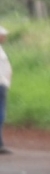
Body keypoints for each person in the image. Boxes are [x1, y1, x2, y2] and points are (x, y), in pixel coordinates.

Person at [0, 26, 12, 155]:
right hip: (0, 84)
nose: (4, 37)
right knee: (0, 114)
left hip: (2, 84)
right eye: (2, 35)